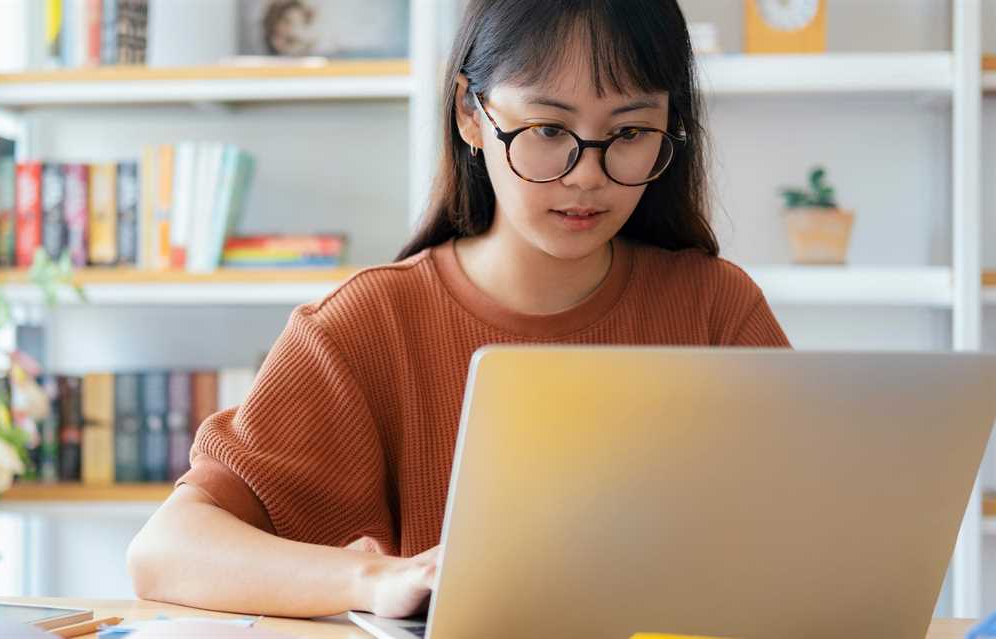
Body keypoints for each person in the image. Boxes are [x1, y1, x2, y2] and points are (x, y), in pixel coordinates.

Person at [127, 0, 790, 620]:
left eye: (630, 132)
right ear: (471, 114)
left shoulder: (716, 309)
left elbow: (821, 534)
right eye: (549, 127)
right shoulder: (366, 323)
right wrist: (376, 579)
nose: (587, 174)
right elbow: (166, 549)